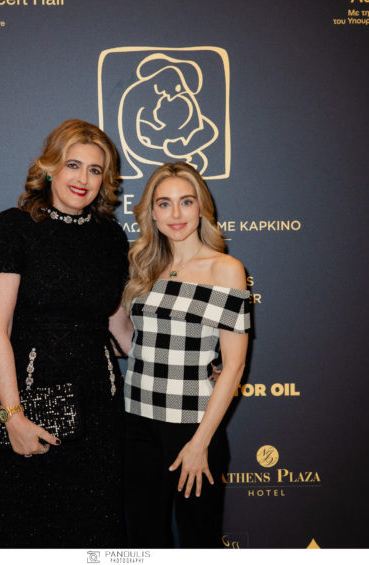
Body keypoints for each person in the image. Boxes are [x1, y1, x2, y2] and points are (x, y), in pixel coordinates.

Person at [0, 119, 131, 548]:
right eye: (73, 165)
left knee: (90, 531)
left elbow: (118, 328)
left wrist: (187, 364)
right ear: (50, 166)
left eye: (95, 170)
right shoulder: (14, 227)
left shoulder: (110, 237)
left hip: (98, 406)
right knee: (21, 530)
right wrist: (12, 416)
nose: (83, 179)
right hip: (30, 400)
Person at [121, 161, 251, 548]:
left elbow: (234, 365)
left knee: (198, 541)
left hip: (193, 426)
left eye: (186, 202)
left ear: (201, 208)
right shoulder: (144, 266)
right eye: (164, 203)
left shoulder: (225, 269)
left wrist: (199, 443)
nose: (176, 214)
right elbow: (135, 343)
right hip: (136, 423)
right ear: (151, 212)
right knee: (144, 541)